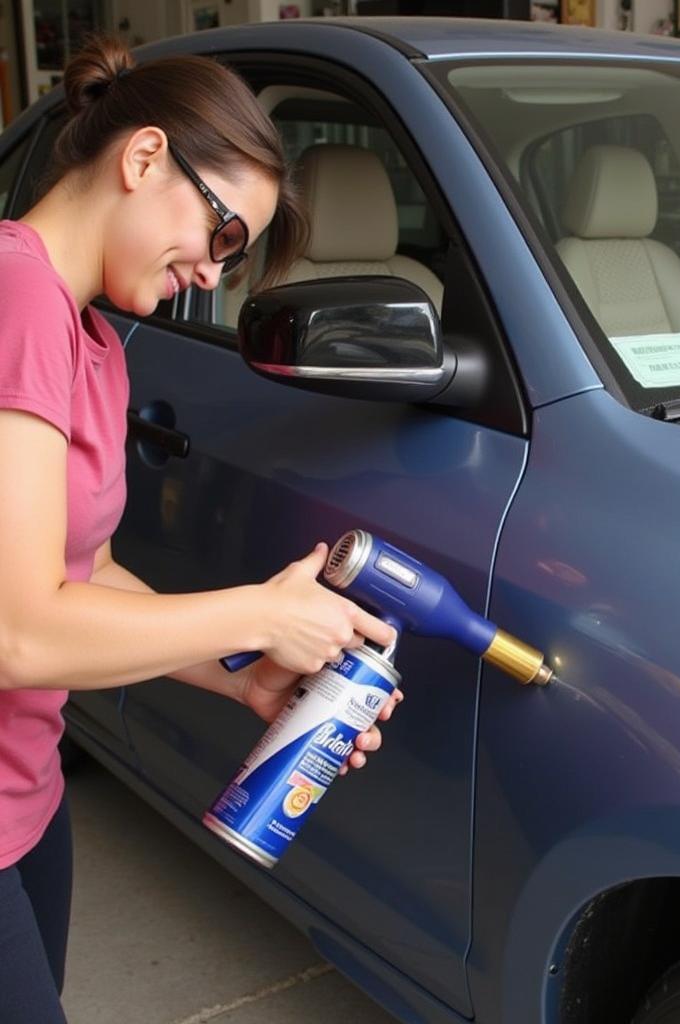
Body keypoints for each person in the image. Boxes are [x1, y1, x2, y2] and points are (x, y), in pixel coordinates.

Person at [0, 35, 401, 1024]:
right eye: (223, 233)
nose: (213, 272)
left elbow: (83, 568)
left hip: (25, 791)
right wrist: (259, 613)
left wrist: (241, 667)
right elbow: (20, 629)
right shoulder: (13, 297)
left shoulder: (91, 338)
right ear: (143, 160)